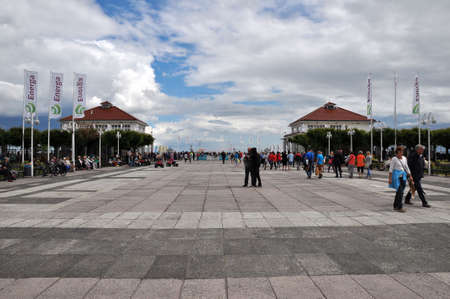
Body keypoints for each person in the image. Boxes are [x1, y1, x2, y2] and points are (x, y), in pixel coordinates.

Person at [389, 146, 413, 212]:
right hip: (396, 177)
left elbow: (406, 167)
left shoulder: (404, 158)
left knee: (400, 192)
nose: (401, 153)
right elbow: (391, 169)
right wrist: (390, 178)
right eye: (399, 152)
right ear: (397, 152)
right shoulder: (394, 159)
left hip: (403, 176)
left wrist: (410, 175)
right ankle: (400, 207)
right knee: (400, 192)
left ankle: (395, 205)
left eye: (402, 151)